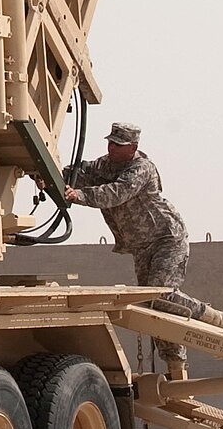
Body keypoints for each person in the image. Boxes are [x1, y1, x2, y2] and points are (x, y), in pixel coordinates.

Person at [64, 122, 198, 313]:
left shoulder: (142, 168)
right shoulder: (103, 165)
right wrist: (48, 177)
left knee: (160, 296)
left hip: (166, 239)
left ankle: (211, 316)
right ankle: (171, 344)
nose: (112, 148)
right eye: (110, 143)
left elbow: (118, 193)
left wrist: (80, 195)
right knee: (152, 305)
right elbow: (77, 173)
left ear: (133, 148)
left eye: (118, 145)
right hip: (141, 246)